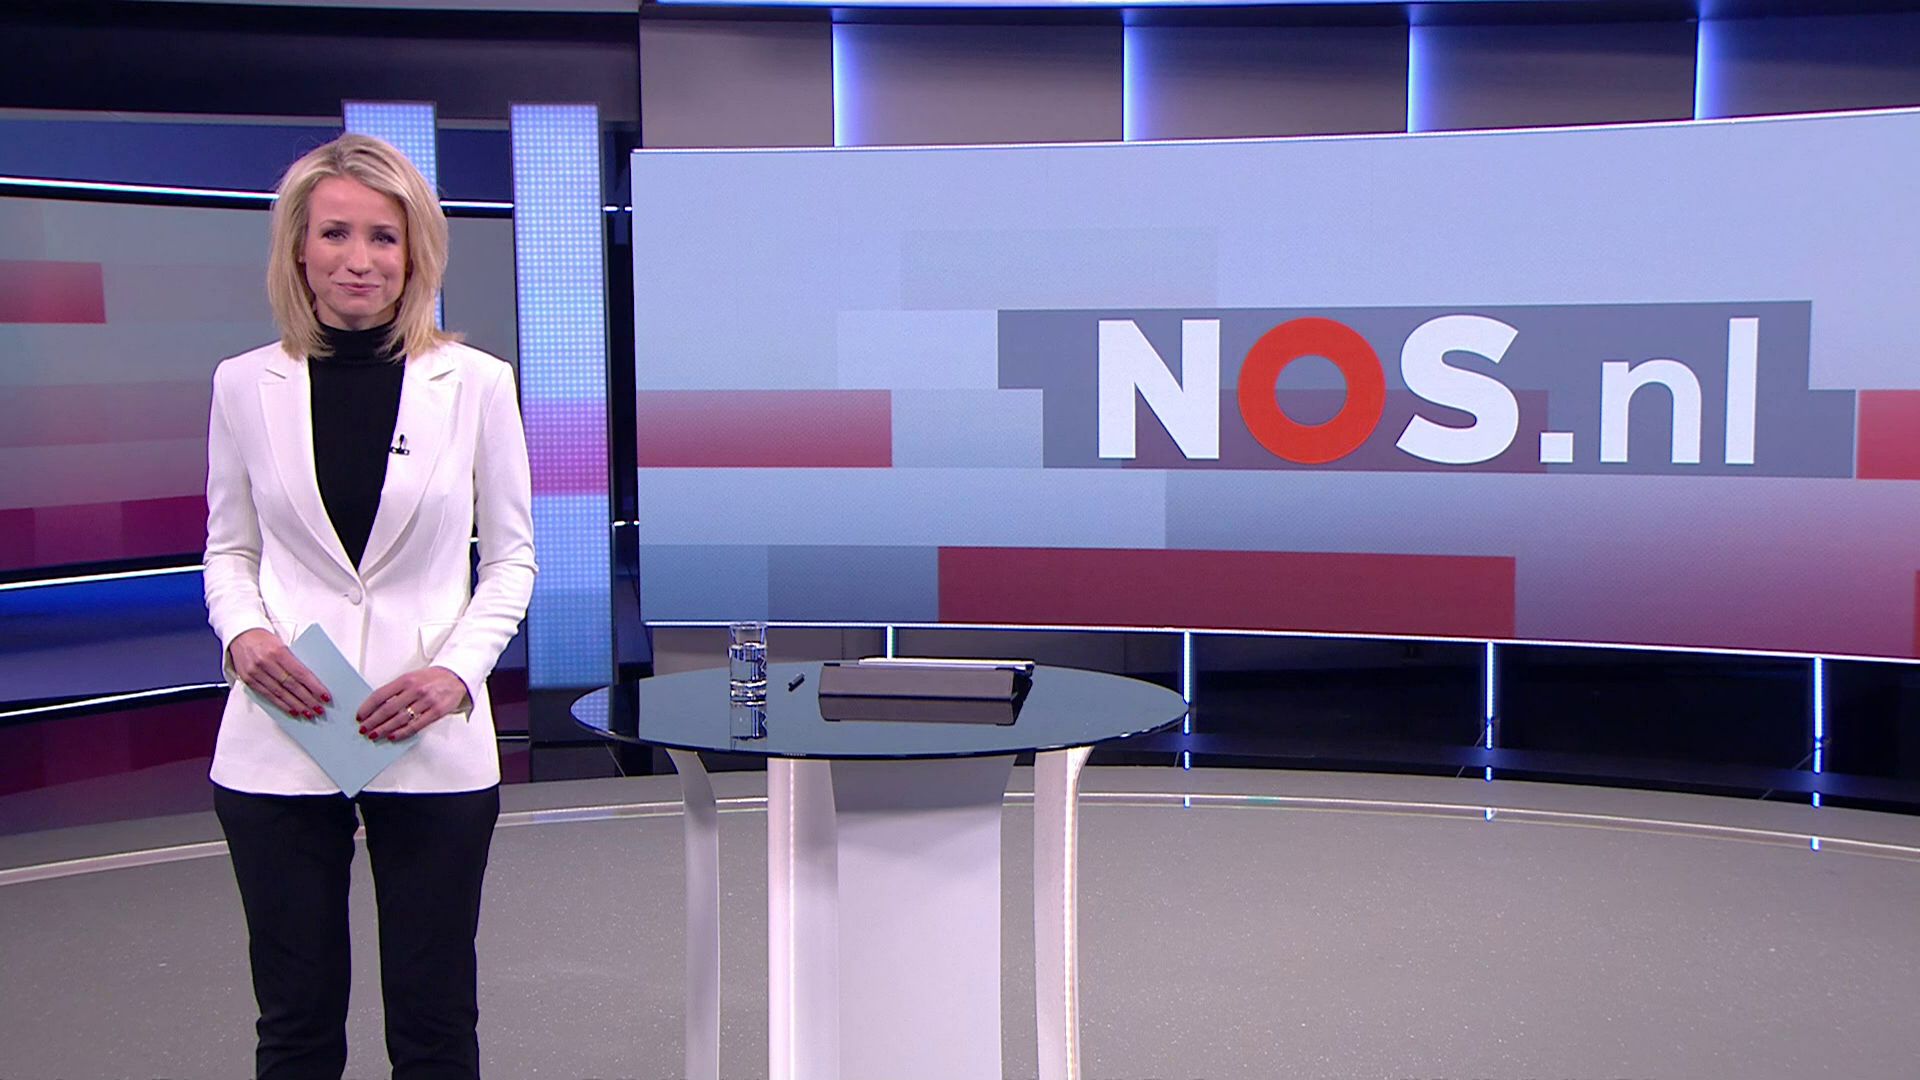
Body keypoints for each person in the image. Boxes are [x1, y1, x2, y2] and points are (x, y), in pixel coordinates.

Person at [203, 133, 536, 1080]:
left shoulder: (477, 385)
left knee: (435, 1026)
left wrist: (453, 676)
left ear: (416, 252)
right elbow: (230, 548)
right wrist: (245, 635)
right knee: (295, 1027)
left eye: (384, 237)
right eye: (336, 233)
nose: (360, 259)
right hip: (284, 728)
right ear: (298, 249)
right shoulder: (242, 384)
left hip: (426, 732)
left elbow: (511, 560)